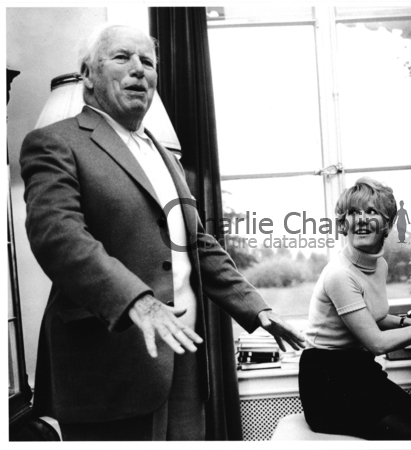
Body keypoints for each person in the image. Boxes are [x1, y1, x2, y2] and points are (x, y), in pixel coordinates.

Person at [20, 24, 304, 441]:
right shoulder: (54, 143)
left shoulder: (163, 153)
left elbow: (196, 243)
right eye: (122, 58)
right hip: (109, 368)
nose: (139, 70)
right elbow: (58, 236)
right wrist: (137, 300)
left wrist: (259, 310)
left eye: (148, 62)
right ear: (87, 73)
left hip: (185, 367)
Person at [298, 177, 411, 440]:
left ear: (387, 224)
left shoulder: (378, 265)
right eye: (352, 212)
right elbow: (377, 343)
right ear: (343, 224)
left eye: (371, 211)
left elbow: (376, 318)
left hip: (360, 374)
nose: (361, 219)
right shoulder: (339, 275)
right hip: (329, 385)